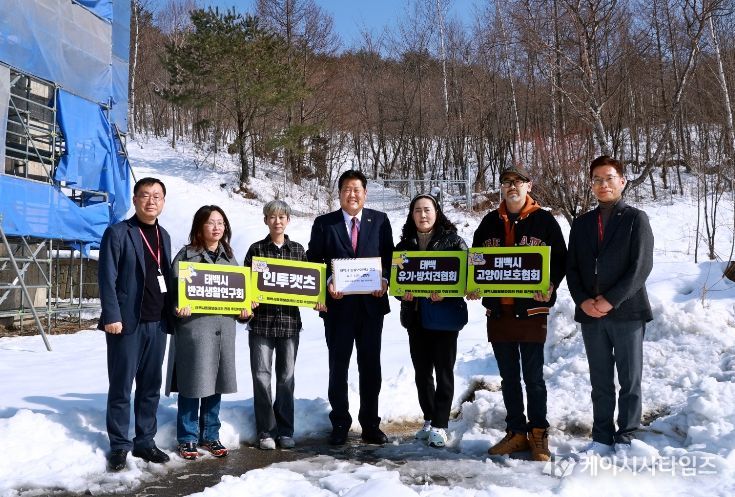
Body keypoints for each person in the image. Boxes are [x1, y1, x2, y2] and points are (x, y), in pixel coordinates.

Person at [470, 165, 567, 462]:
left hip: (531, 311)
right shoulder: (488, 222)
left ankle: (538, 433)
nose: (512, 186)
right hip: (499, 312)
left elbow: (560, 260)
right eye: (506, 181)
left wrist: (550, 285)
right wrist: (473, 284)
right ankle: (515, 432)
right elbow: (475, 259)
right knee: (509, 378)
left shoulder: (544, 220)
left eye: (518, 181)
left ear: (529, 185)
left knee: (533, 378)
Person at [566, 155, 654, 456]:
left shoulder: (635, 219)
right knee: (600, 380)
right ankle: (601, 438)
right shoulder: (582, 224)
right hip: (591, 314)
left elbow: (640, 267)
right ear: (591, 185)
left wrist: (610, 300)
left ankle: (627, 437)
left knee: (630, 379)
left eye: (609, 178)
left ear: (622, 181)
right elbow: (572, 268)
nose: (603, 184)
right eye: (597, 179)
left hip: (627, 312)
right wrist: (583, 301)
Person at [307, 170, 394, 446]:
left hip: (371, 307)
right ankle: (340, 423)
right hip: (338, 308)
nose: (352, 194)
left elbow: (390, 257)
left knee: (370, 368)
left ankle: (370, 424)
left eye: (357, 189)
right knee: (338, 367)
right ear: (339, 193)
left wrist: (384, 279)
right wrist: (328, 281)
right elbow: (314, 259)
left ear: (365, 193)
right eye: (346, 189)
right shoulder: (325, 223)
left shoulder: (380, 221)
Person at [98, 177, 173, 472]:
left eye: (157, 196)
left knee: (150, 386)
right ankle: (119, 445)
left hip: (158, 323)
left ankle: (145, 441)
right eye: (145, 195)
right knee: (121, 386)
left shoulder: (164, 235)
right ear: (135, 199)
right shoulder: (118, 233)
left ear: (163, 202)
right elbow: (107, 278)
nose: (151, 201)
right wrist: (112, 315)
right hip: (127, 323)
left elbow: (166, 277)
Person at [167, 205, 249, 460]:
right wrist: (177, 307)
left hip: (222, 330)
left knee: (216, 382)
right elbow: (171, 293)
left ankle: (211, 434)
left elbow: (238, 295)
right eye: (211, 222)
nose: (216, 227)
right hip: (195, 330)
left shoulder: (230, 258)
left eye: (221, 223)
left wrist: (244, 311)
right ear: (199, 227)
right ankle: (187, 437)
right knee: (192, 383)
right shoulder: (186, 256)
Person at [244, 200, 324, 450]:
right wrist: (249, 299)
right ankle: (266, 431)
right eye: (272, 217)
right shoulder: (256, 249)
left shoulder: (298, 250)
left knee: (286, 378)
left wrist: (317, 299)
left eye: (281, 217)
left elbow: (309, 284)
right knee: (261, 377)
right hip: (261, 325)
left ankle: (286, 430)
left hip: (289, 324)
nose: (277, 221)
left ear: (288, 220)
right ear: (265, 220)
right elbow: (244, 284)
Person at [395, 194, 468, 448]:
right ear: (411, 215)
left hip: (443, 317)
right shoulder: (403, 246)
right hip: (415, 317)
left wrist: (446, 292)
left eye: (427, 210)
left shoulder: (454, 242)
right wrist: (402, 294)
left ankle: (440, 424)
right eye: (417, 210)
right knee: (422, 372)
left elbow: (466, 277)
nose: (422, 215)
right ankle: (428, 419)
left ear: (437, 212)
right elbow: (397, 281)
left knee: (444, 371)